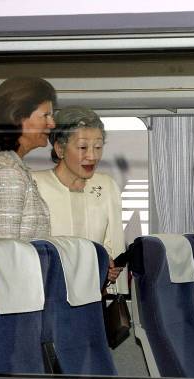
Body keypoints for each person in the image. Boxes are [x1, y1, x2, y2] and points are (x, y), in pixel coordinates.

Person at [32, 106, 126, 289]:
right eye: (83, 147)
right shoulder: (35, 186)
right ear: (60, 149)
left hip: (95, 292)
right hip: (49, 292)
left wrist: (111, 267)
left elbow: (113, 244)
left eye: (98, 147)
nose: (92, 156)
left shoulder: (106, 186)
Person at [0, 77, 56, 240]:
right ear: (18, 117)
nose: (52, 123)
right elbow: (6, 252)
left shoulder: (7, 164)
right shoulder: (7, 172)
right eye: (46, 115)